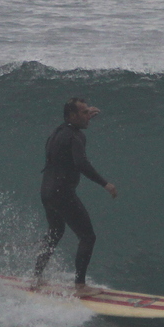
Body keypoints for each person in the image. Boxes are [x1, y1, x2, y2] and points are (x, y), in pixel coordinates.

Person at [33, 97, 118, 288]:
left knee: (55, 233)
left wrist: (85, 117)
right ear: (73, 115)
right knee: (88, 237)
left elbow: (71, 135)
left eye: (89, 111)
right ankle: (79, 286)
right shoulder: (76, 136)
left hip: (47, 192)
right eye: (85, 112)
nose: (89, 115)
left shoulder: (59, 132)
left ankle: (36, 277)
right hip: (62, 193)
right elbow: (81, 163)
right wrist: (105, 184)